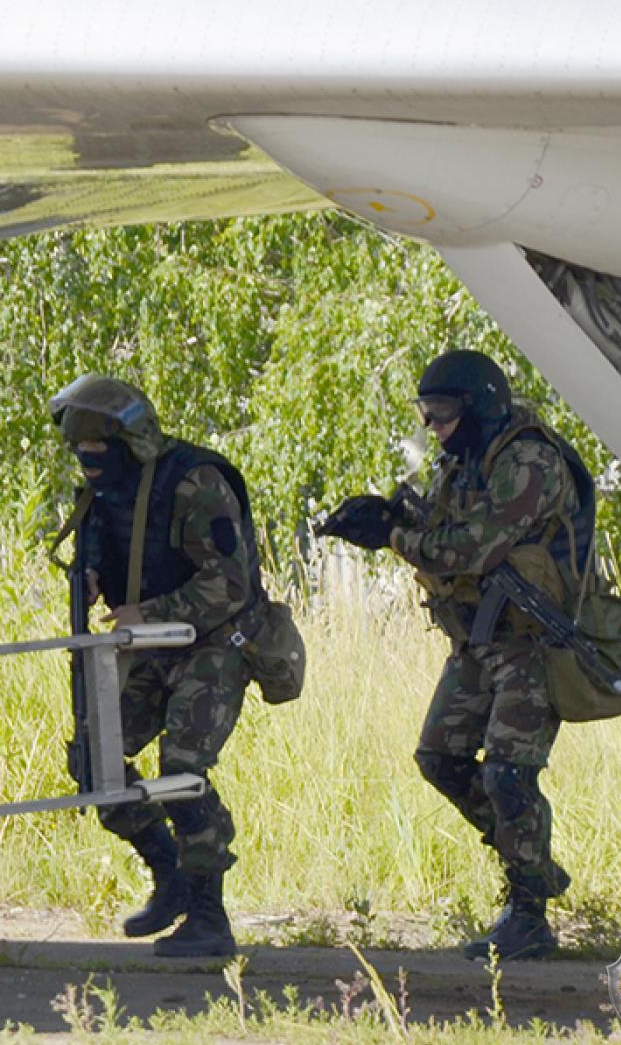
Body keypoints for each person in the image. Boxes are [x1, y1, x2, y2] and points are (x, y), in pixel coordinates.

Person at [321, 349, 591, 960]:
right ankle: (534, 868)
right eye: (427, 416)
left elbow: (472, 548)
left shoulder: (529, 461)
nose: (434, 428)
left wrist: (391, 537)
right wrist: (389, 517)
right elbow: (442, 530)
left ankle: (528, 915)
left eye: (441, 414)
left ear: (477, 406)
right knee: (439, 758)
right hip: (477, 640)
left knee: (506, 775)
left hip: (530, 642)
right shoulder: (461, 462)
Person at [50, 374, 266, 958]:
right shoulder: (103, 494)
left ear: (130, 443)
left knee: (181, 768)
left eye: (97, 452)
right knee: (94, 761)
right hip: (148, 646)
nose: (88, 463)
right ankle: (169, 874)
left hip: (214, 643)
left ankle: (207, 913)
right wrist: (91, 580)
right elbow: (103, 554)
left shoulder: (194, 481)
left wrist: (146, 612)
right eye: (80, 453)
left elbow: (228, 583)